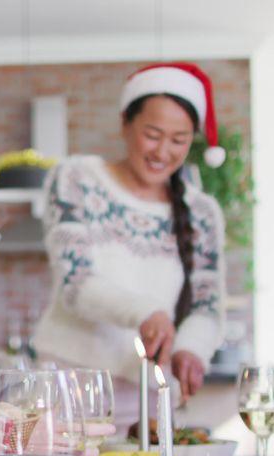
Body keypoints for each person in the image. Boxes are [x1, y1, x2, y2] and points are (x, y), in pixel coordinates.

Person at [33, 62, 227, 429]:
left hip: (152, 398)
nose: (163, 151)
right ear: (125, 123)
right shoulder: (77, 179)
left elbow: (207, 306)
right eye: (152, 134)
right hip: (70, 389)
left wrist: (190, 350)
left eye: (179, 139)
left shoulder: (202, 212)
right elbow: (76, 284)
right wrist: (148, 313)